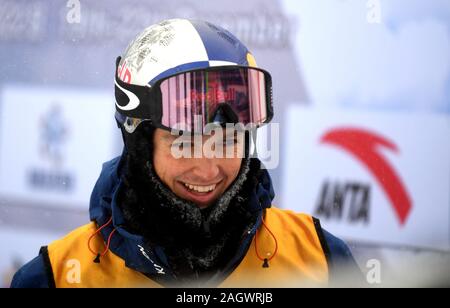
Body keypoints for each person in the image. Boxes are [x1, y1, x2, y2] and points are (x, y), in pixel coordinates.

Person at [11, 18, 361, 288]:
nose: (207, 169)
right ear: (139, 143)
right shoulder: (57, 277)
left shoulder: (320, 259)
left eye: (227, 139)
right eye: (184, 140)